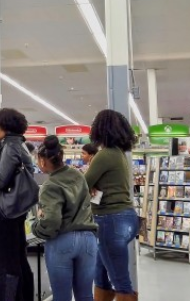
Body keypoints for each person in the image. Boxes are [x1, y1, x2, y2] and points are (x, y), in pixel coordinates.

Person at [32, 136, 97, 301]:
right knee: (86, 296)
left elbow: (51, 222)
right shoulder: (78, 175)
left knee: (62, 297)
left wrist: (36, 226)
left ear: (43, 160)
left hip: (62, 240)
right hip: (88, 240)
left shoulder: (49, 185)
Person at [0, 107, 35, 301]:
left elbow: (1, 181)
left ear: (6, 126)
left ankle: (13, 297)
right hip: (17, 209)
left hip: (6, 211)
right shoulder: (20, 145)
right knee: (19, 257)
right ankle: (25, 296)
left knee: (9, 260)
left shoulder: (9, 147)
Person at [84, 109, 139, 301]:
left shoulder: (104, 155)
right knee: (100, 274)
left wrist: (88, 186)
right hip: (125, 217)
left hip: (110, 220)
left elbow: (83, 184)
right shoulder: (119, 154)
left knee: (121, 282)